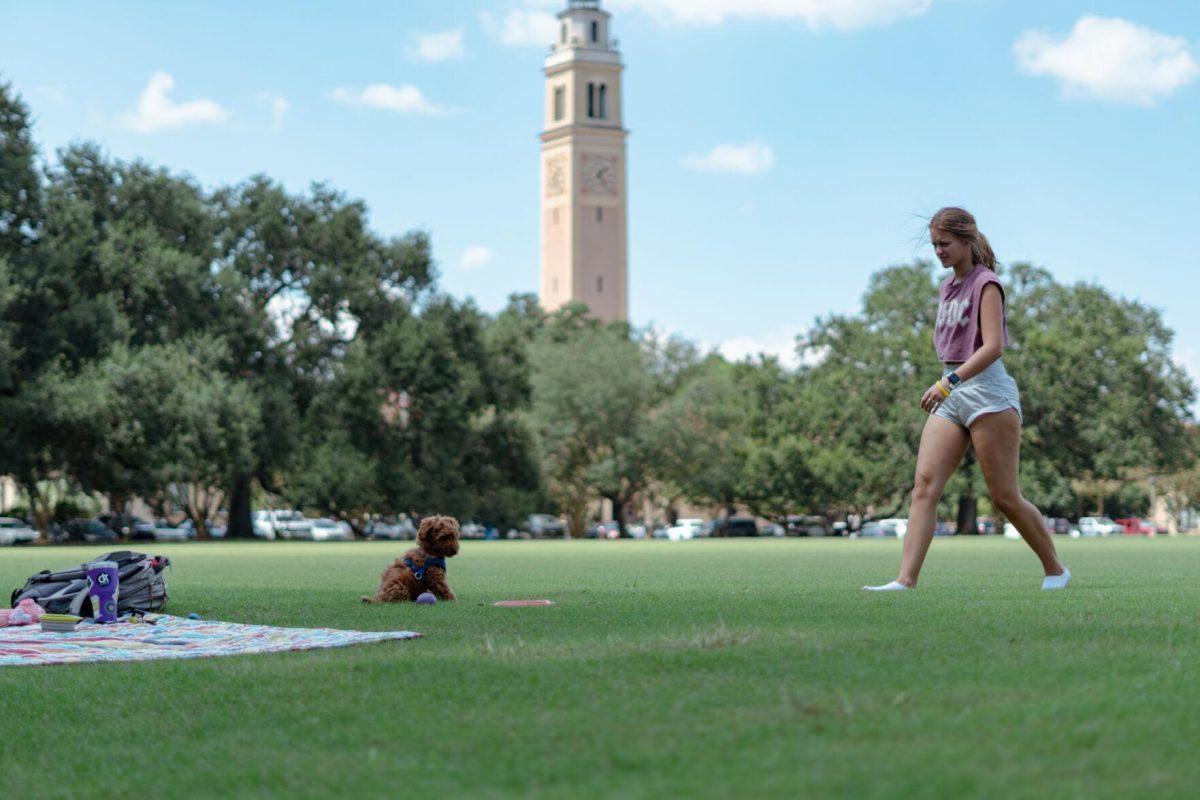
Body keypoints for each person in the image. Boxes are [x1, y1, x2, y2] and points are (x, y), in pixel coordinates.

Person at [864, 207, 1070, 591]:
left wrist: (950, 382)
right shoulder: (947, 287)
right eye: (934, 245)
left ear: (966, 241)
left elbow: (992, 347)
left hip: (987, 391)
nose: (938, 251)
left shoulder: (986, 284)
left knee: (1005, 497)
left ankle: (1055, 568)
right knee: (924, 485)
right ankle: (905, 581)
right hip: (952, 387)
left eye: (945, 244)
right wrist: (947, 382)